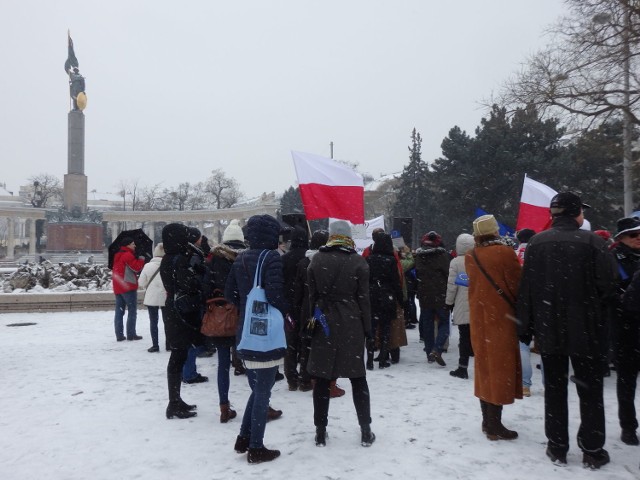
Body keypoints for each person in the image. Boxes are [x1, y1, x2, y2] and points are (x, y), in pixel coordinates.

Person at [517, 192, 617, 469]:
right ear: (575, 214)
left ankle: (557, 446)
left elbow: (527, 289)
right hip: (586, 330)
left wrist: (525, 328)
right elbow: (608, 287)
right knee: (590, 391)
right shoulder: (593, 242)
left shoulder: (536, 243)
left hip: (550, 329)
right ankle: (592, 448)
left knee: (554, 389)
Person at [307, 220, 375, 448]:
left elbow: (311, 298)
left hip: (324, 322)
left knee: (323, 378)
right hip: (352, 324)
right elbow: (364, 299)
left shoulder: (317, 259)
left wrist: (308, 327)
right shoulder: (358, 261)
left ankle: (320, 431)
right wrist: (368, 330)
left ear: (330, 236)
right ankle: (365, 430)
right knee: (358, 378)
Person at [226, 214, 287, 464]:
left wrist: (247, 303)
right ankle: (256, 446)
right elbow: (274, 295)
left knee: (259, 387)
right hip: (264, 333)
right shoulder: (271, 258)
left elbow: (230, 294)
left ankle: (244, 437)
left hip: (245, 332)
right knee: (263, 390)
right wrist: (286, 309)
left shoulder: (239, 258)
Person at [465, 214, 522, 441]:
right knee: (500, 369)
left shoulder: (471, 255)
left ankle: (487, 420)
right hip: (501, 319)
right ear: (495, 231)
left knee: (485, 368)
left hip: (479, 319)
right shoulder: (504, 253)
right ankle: (494, 425)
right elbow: (516, 286)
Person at [160, 223, 206, 420]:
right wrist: (197, 270)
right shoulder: (179, 259)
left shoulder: (167, 259)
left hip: (172, 308)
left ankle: (176, 400)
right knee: (178, 356)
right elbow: (189, 284)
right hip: (181, 311)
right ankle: (174, 403)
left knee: (178, 356)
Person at [203, 219, 246, 423]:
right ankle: (263, 403)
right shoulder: (245, 259)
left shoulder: (212, 260)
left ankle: (224, 406)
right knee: (251, 362)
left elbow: (205, 289)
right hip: (241, 315)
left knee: (222, 365)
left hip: (220, 317)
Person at [611, 216, 640, 446]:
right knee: (627, 381)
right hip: (626, 329)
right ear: (621, 238)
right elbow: (609, 294)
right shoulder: (613, 258)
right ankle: (628, 426)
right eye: (633, 235)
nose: (638, 238)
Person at [292, 229, 330, 392]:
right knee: (323, 342)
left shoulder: (303, 263)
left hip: (306, 308)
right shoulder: (328, 262)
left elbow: (298, 290)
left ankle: (304, 378)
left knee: (306, 343)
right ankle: (320, 378)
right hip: (322, 309)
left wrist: (296, 308)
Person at [366, 232, 403, 369]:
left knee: (372, 329)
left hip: (372, 296)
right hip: (387, 296)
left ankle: (369, 359)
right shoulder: (391, 260)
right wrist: (401, 299)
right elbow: (396, 282)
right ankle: (382, 358)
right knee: (386, 329)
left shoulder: (369, 259)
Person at [415, 230, 450, 366]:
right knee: (444, 323)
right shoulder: (443, 256)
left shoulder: (419, 256)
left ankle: (429, 352)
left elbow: (417, 273)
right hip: (441, 294)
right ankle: (437, 348)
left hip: (425, 294)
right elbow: (448, 273)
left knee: (428, 324)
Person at [281, 226, 310, 391]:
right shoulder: (310, 257)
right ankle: (305, 378)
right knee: (306, 342)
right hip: (307, 306)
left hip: (289, 307)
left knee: (290, 343)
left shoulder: (285, 258)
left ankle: (291, 379)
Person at [181, 228, 209, 385]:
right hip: (192, 299)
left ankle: (186, 371)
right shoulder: (194, 254)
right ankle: (189, 373)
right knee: (192, 338)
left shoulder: (184, 253)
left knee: (187, 339)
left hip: (185, 300)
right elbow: (194, 277)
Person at [445, 233, 474, 380]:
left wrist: (448, 303)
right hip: (477, 302)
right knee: (477, 337)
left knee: (464, 337)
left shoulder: (456, 262)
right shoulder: (478, 259)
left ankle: (463, 368)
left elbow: (452, 286)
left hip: (462, 303)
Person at [112, 236, 146, 342]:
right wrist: (141, 259)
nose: (134, 245)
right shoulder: (128, 255)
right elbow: (137, 268)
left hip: (118, 286)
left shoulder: (117, 255)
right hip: (128, 286)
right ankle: (131, 334)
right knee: (132, 311)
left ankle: (119, 335)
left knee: (119, 312)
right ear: (127, 245)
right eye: (133, 244)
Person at [515, 228, 536, 397]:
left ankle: (525, 384)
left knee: (523, 345)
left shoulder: (515, 254)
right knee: (545, 345)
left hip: (521, 302)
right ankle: (549, 383)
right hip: (542, 301)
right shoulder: (541, 251)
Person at [138, 243, 168, 352]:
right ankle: (168, 343)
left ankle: (155, 345)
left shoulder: (147, 266)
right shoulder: (168, 264)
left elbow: (141, 283)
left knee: (153, 322)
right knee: (167, 321)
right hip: (165, 295)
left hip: (152, 297)